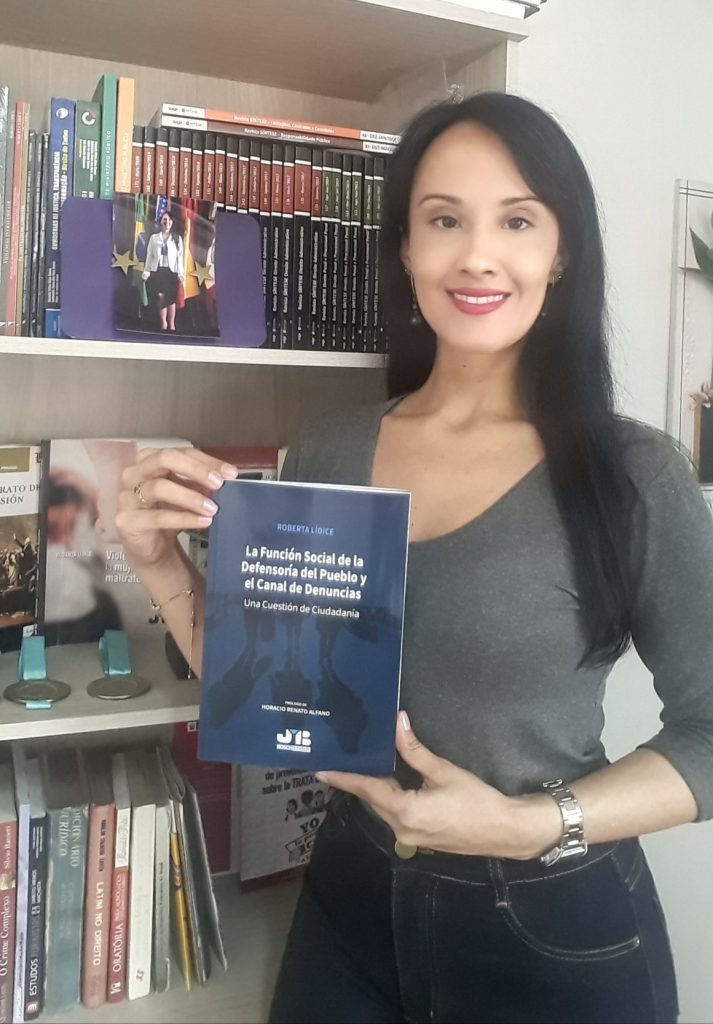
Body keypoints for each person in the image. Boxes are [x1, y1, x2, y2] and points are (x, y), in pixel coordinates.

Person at [114, 92, 713, 1024]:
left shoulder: (633, 472)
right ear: (405, 248)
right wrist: (160, 565)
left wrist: (526, 825)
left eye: (517, 220)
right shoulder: (327, 451)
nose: (477, 255)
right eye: (444, 220)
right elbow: (269, 690)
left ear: (560, 253)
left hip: (548, 917)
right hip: (349, 894)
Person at [141, 211, 185, 332]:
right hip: (158, 271)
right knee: (161, 297)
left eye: (169, 220)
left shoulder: (177, 239)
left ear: (172, 222)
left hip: (171, 272)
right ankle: (163, 324)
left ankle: (172, 324)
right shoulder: (154, 238)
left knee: (171, 299)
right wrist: (146, 271)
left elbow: (180, 258)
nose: (167, 222)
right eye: (164, 220)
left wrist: (181, 274)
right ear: (161, 221)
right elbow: (149, 256)